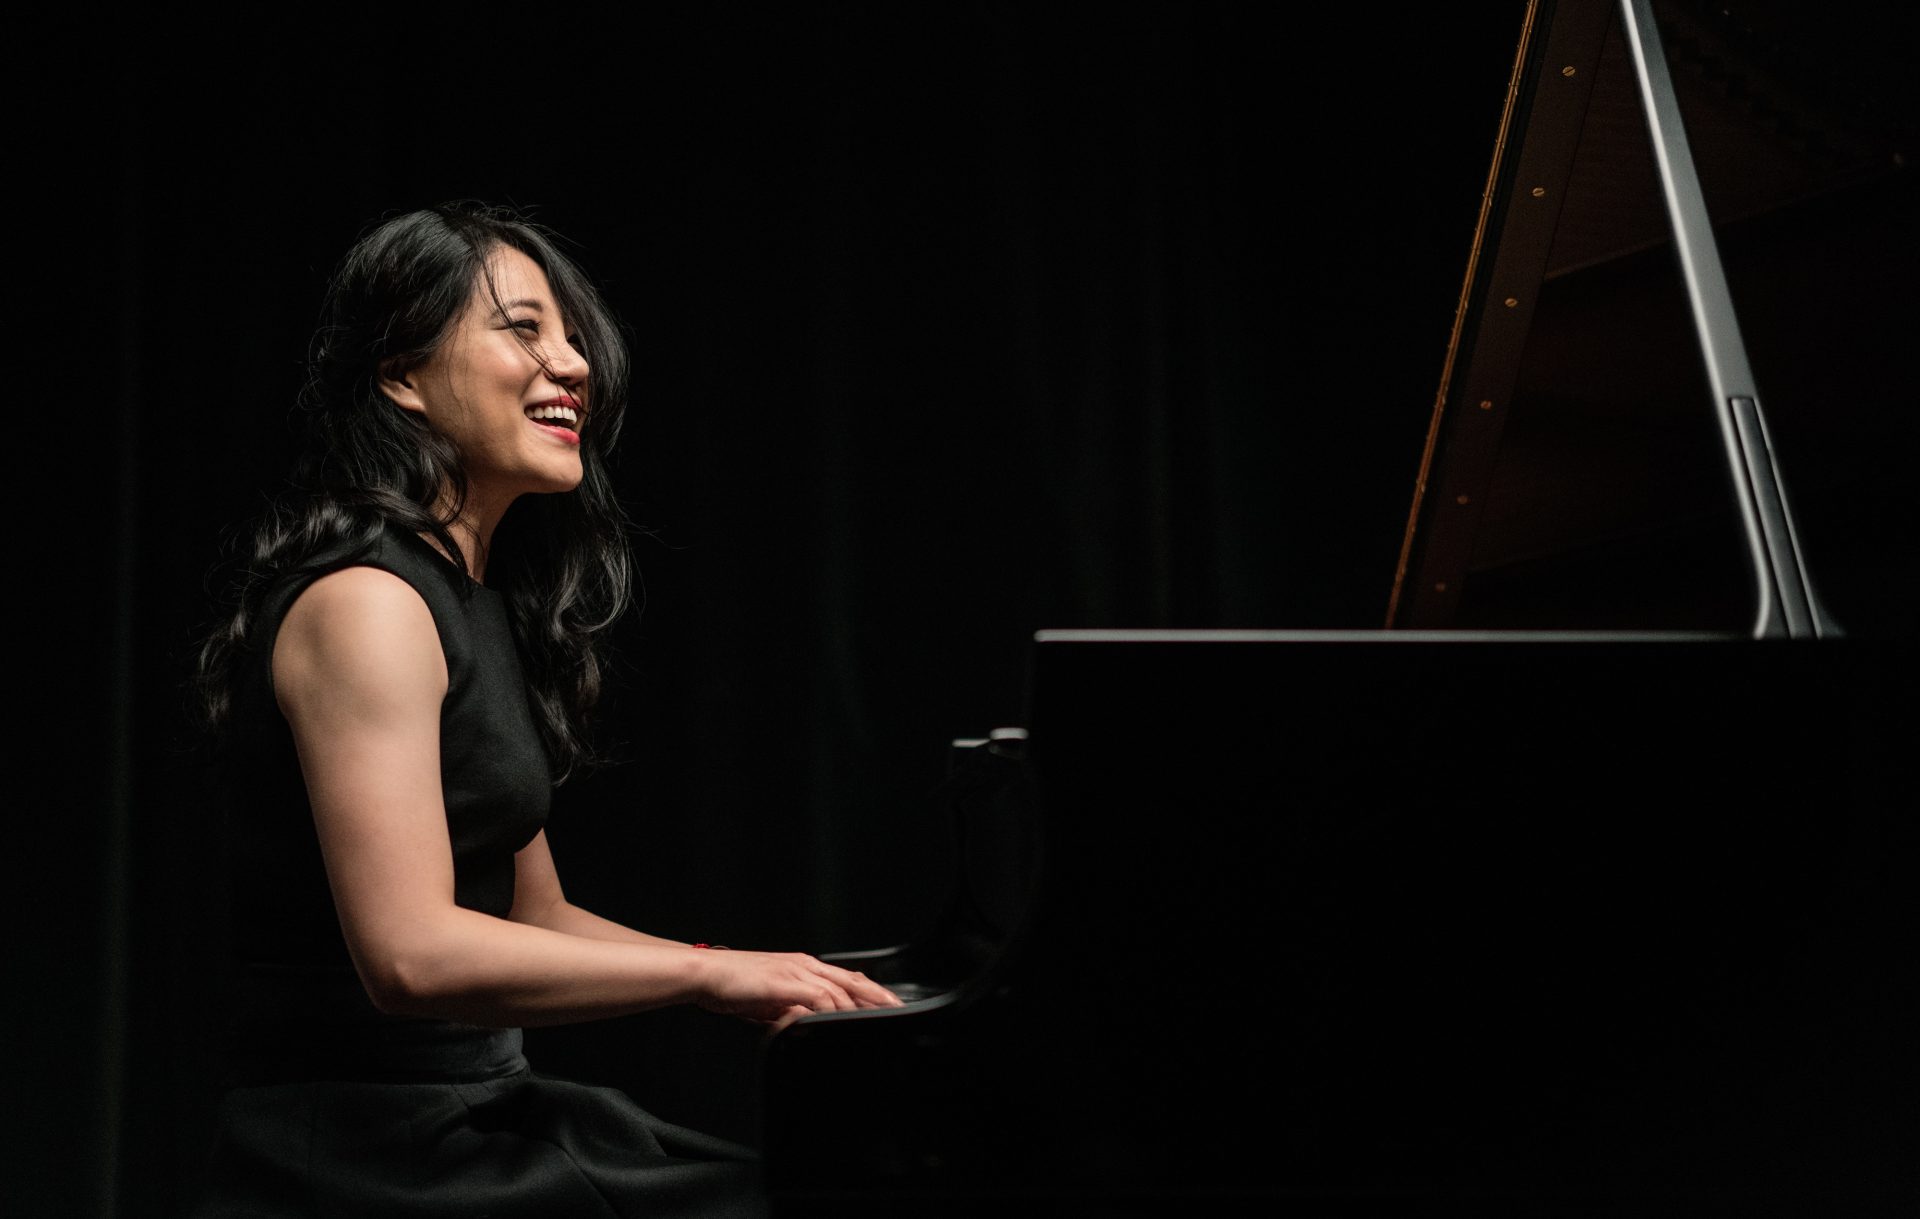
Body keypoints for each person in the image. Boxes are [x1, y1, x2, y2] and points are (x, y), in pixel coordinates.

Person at [187, 200, 902, 1218]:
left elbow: (535, 913)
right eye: (523, 329)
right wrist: (707, 980)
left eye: (572, 338)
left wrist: (747, 970)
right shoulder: (367, 604)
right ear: (401, 375)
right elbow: (410, 956)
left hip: (472, 1114)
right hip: (367, 1151)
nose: (573, 365)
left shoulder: (474, 600)